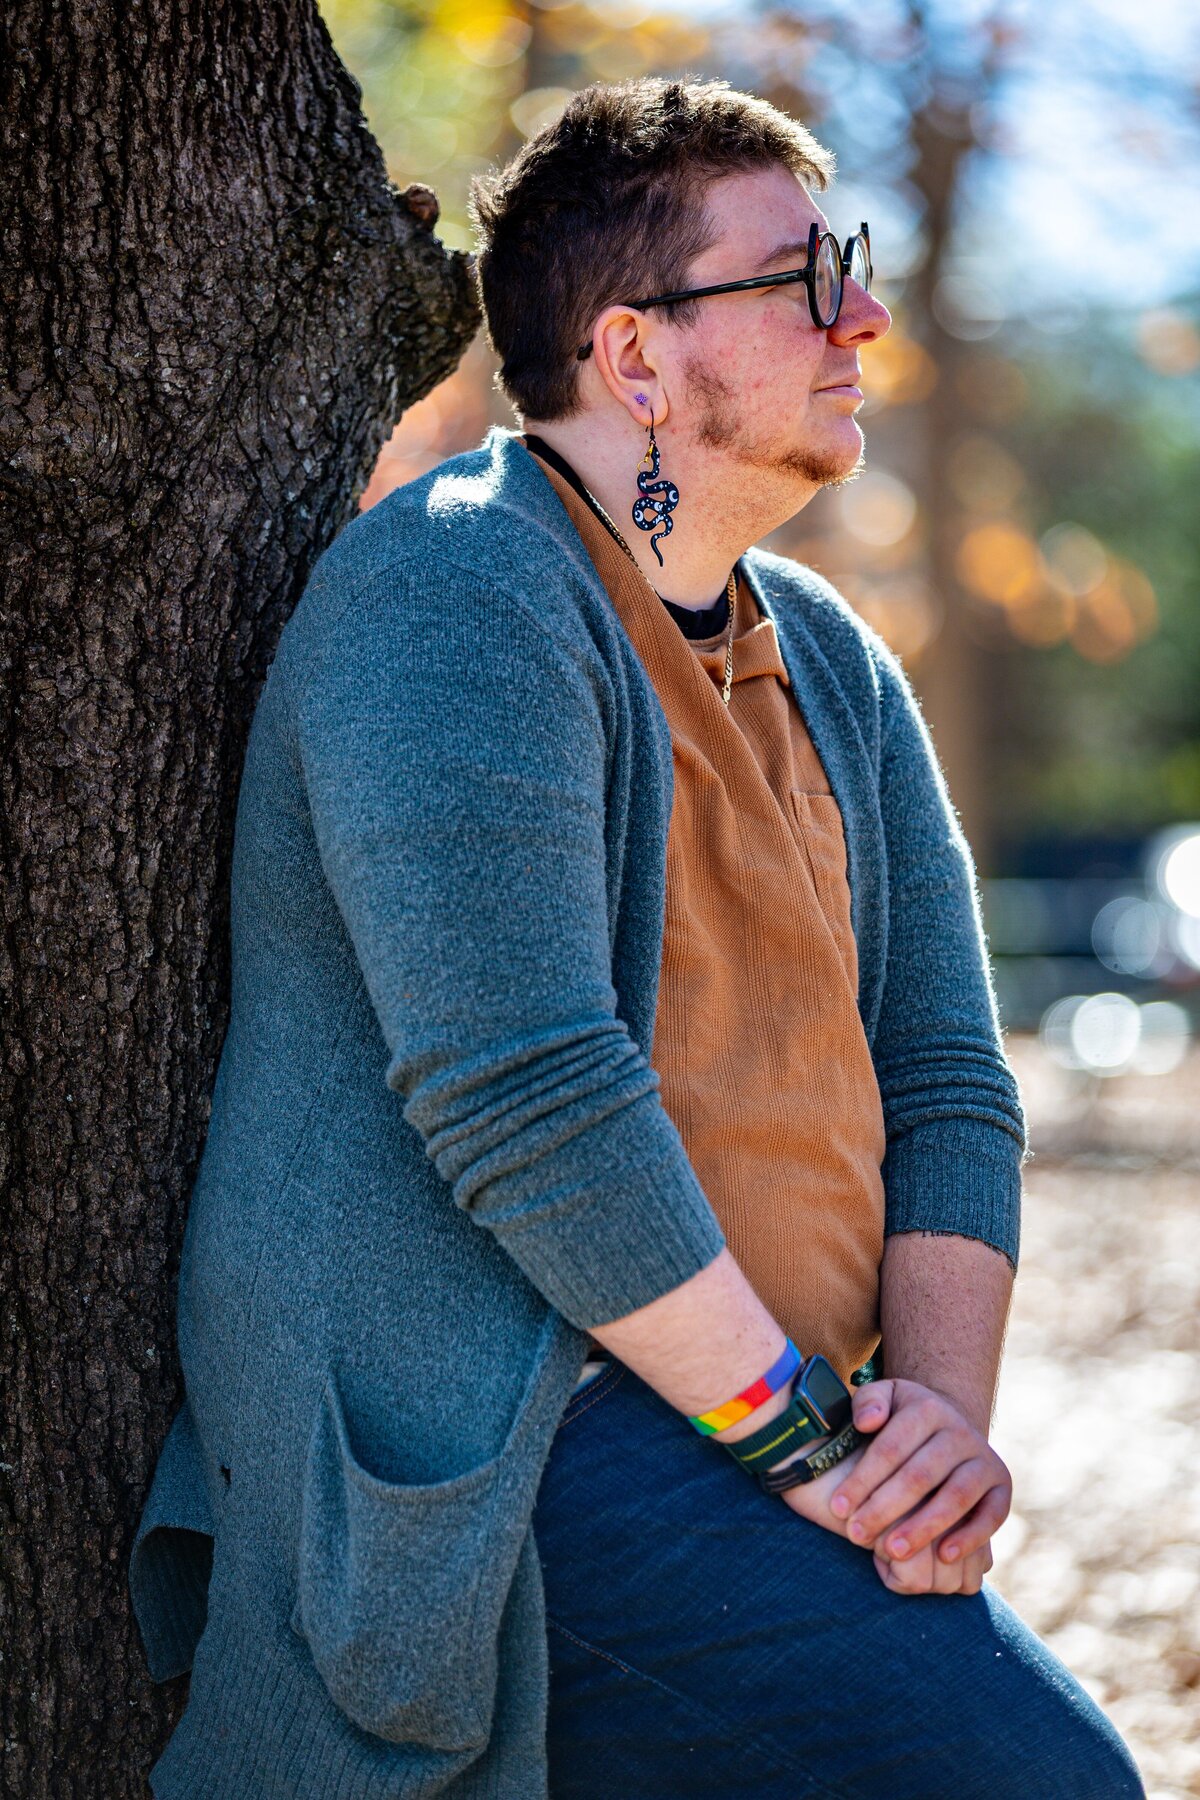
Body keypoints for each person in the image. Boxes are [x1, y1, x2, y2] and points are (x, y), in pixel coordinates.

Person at [128, 75, 1144, 1799]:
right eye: (803, 278)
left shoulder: (825, 653)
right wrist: (807, 1448)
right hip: (510, 1454)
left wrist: (940, 1437)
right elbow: (525, 1090)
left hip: (767, 1437)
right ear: (638, 357)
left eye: (857, 266)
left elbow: (951, 1076)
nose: (865, 314)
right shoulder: (453, 589)